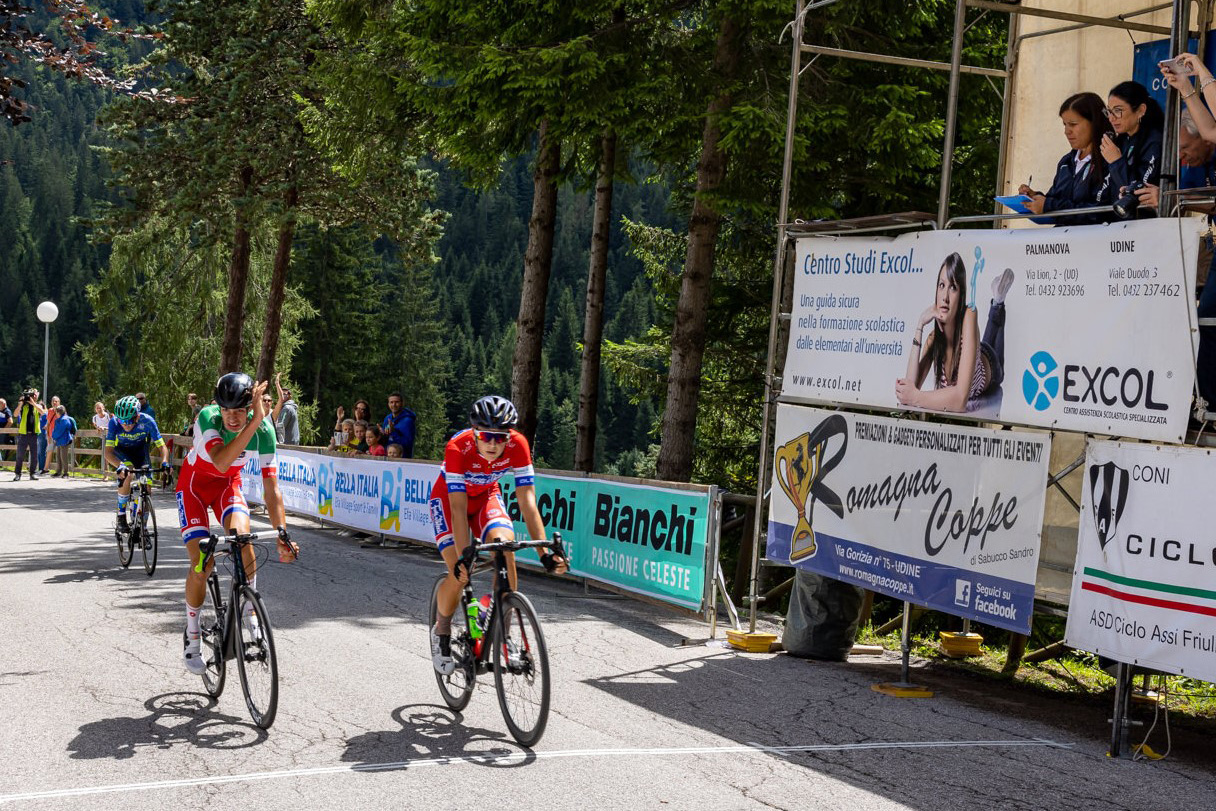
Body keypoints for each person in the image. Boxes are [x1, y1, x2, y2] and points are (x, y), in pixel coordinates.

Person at [428, 395, 567, 674]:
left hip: (486, 497)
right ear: (475, 433)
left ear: (509, 436)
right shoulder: (457, 447)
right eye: (486, 436)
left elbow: (528, 502)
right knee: (459, 573)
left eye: (500, 437)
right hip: (448, 501)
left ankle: (504, 631)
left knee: (505, 546)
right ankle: (441, 629)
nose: (493, 444)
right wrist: (464, 556)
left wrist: (544, 553)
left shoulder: (518, 444)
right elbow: (458, 509)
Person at [176, 373, 299, 675]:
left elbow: (272, 489)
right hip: (193, 488)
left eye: (240, 411)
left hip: (227, 487)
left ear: (249, 407)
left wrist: (282, 532)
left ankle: (251, 613)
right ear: (218, 407)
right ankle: (192, 632)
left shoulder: (264, 431)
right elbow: (220, 461)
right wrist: (253, 422)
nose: (232, 418)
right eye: (227, 410)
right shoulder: (208, 418)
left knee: (244, 539)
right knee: (202, 564)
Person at [896, 254, 1013, 413]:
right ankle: (997, 301)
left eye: (953, 288)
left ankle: (998, 302)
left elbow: (959, 400)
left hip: (990, 365)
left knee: (1000, 369)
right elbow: (909, 389)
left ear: (961, 294)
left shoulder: (969, 313)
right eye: (942, 285)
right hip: (973, 349)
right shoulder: (933, 339)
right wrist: (920, 325)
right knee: (979, 344)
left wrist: (916, 397)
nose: (945, 297)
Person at [1018, 92, 1114, 224]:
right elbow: (1055, 199)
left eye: (1073, 124)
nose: (1067, 131)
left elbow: (1099, 212)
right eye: (1065, 124)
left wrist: (1049, 205)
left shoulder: (1111, 159)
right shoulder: (1066, 162)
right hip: (1062, 235)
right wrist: (1034, 197)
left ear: (1094, 123)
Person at [104, 395, 171, 533]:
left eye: (129, 421)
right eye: (122, 421)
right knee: (128, 473)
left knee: (147, 487)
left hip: (141, 452)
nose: (125, 424)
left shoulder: (147, 421)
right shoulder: (114, 423)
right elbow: (108, 453)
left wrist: (165, 462)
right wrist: (120, 466)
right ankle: (121, 516)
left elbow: (162, 446)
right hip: (122, 452)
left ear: (137, 416)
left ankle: (143, 527)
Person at [1097, 80, 1163, 215]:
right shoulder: (1121, 140)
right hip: (1117, 222)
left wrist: (1116, 162)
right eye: (1109, 112)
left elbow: (1139, 193)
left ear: (1141, 110)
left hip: (1144, 222)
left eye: (1118, 111)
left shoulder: (1154, 141)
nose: (1111, 118)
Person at [11, 389, 43, 481]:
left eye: (35, 395)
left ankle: (32, 474)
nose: (33, 396)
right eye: (32, 395)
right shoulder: (24, 405)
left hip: (34, 434)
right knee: (20, 455)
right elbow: (15, 414)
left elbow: (42, 412)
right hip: (23, 434)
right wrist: (20, 403)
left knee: (34, 456)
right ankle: (17, 474)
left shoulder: (38, 406)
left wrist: (33, 403)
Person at [382, 392, 416, 458]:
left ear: (402, 403)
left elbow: (407, 444)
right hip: (388, 457)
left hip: (402, 459)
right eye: (391, 402)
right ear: (388, 404)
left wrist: (393, 432)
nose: (394, 405)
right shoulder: (387, 418)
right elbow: (385, 440)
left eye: (396, 402)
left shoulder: (408, 421)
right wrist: (381, 434)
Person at [50, 405, 77, 477]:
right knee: (59, 456)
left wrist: (54, 436)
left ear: (58, 412)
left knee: (63, 457)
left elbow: (60, 431)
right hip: (60, 440)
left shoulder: (64, 420)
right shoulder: (61, 419)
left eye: (56, 412)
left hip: (65, 440)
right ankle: (58, 471)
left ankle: (65, 472)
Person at [272, 374, 299, 445]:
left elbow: (280, 426)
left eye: (285, 394)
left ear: (289, 396)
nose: (283, 396)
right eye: (282, 394)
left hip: (287, 443)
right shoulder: (292, 407)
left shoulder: (287, 408)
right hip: (293, 442)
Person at [39, 394, 60, 475]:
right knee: (49, 451)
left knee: (59, 453)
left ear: (59, 402)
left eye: (56, 401)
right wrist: (47, 435)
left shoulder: (61, 410)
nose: (54, 403)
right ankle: (45, 469)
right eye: (53, 401)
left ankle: (58, 470)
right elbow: (48, 423)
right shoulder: (50, 411)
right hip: (51, 435)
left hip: (59, 435)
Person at [92, 402, 112, 478]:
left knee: (108, 455)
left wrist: (104, 428)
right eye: (97, 408)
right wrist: (98, 428)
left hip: (110, 437)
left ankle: (108, 475)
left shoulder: (107, 416)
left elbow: (112, 426)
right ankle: (106, 474)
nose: (99, 409)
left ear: (103, 408)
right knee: (104, 455)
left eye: (100, 408)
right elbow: (95, 425)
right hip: (102, 438)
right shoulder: (94, 418)